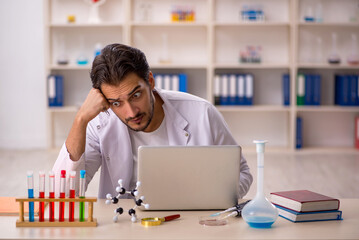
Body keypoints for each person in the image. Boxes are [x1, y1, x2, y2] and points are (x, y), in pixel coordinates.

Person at [52, 43, 253, 199]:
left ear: (150, 81)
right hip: (123, 226)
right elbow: (63, 193)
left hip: (189, 221)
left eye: (136, 95)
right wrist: (80, 119)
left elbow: (242, 173)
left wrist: (211, 197)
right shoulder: (99, 122)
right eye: (116, 103)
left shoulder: (203, 113)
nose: (130, 112)